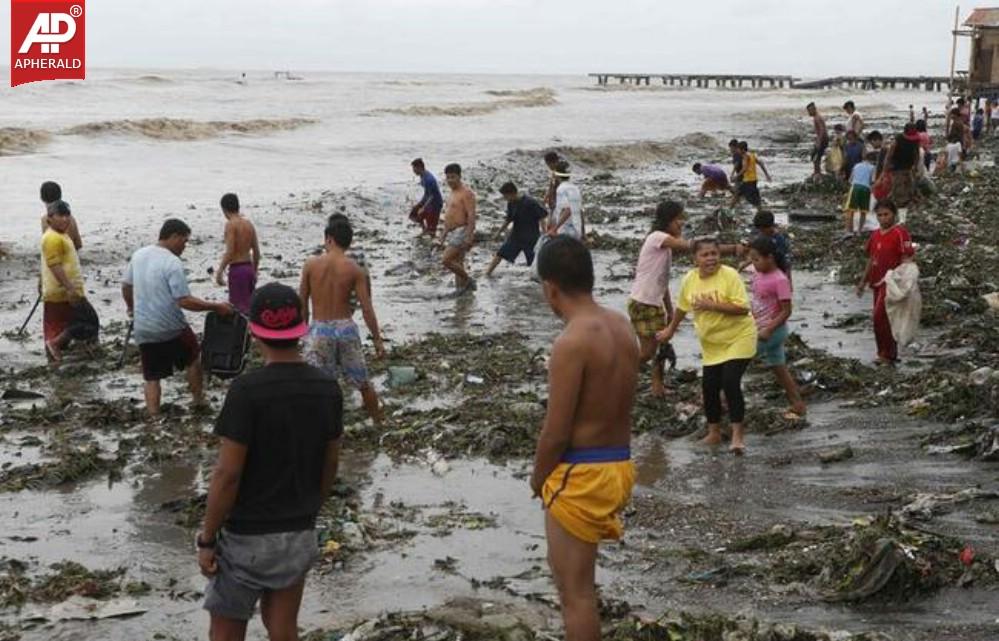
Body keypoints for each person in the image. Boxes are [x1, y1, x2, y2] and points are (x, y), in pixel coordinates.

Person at [198, 282, 343, 641]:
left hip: (247, 537)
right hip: (298, 533)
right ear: (301, 326)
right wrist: (310, 509)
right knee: (282, 628)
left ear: (253, 330)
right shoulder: (327, 388)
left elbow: (227, 474)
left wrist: (207, 538)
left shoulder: (247, 391)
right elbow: (330, 464)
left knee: (226, 631)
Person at [529, 236, 638, 641]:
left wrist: (538, 479)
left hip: (581, 473)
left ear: (550, 287)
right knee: (581, 589)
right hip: (618, 464)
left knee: (574, 594)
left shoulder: (571, 342)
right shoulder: (620, 326)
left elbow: (555, 432)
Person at [630, 202, 746, 399]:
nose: (681, 223)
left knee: (662, 345)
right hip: (642, 303)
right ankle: (614, 373)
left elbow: (662, 281)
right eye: (678, 219)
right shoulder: (657, 238)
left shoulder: (664, 247)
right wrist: (734, 248)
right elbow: (692, 246)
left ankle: (657, 386)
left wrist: (668, 308)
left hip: (654, 303)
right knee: (647, 352)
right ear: (667, 220)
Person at [122, 219, 234, 417]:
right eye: (184, 241)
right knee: (192, 357)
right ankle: (198, 400)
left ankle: (154, 416)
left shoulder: (138, 255)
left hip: (144, 329)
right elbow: (184, 301)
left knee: (151, 376)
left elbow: (126, 286)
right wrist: (216, 307)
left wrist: (131, 309)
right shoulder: (172, 262)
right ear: (173, 236)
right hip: (170, 327)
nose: (185, 246)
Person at [657, 238, 757, 454]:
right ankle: (714, 432)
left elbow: (742, 308)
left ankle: (737, 436)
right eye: (705, 255)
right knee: (709, 387)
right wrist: (670, 331)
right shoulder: (689, 280)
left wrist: (712, 305)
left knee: (730, 382)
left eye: (714, 253)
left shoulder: (729, 274)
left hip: (739, 337)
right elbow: (682, 309)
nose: (711, 258)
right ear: (695, 259)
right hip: (712, 344)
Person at [300, 216, 386, 424]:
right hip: (345, 327)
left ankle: (319, 428)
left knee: (316, 386)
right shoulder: (354, 269)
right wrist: (377, 340)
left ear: (329, 239)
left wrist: (303, 332)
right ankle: (378, 422)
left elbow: (302, 301)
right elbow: (367, 308)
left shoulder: (311, 265)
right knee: (363, 382)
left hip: (320, 329)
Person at [748, 237, 806, 420]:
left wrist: (768, 329)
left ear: (770, 258)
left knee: (738, 362)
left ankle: (723, 401)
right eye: (752, 259)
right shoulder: (758, 273)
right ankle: (797, 403)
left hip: (772, 331)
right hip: (762, 328)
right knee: (779, 367)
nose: (754, 263)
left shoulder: (780, 280)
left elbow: (787, 311)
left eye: (757, 259)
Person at [856, 200, 914, 366]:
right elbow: (871, 259)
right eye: (879, 215)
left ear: (894, 214)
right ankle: (884, 353)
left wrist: (906, 281)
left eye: (886, 214)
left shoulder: (901, 233)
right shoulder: (875, 235)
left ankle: (887, 354)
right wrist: (862, 282)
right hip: (876, 282)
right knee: (882, 320)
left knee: (879, 317)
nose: (883, 218)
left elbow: (907, 256)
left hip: (892, 283)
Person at [40, 200, 98, 362]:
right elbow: (54, 264)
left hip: (68, 291)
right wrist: (69, 287)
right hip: (62, 292)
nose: (65, 219)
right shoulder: (52, 238)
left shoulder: (61, 235)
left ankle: (67, 348)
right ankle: (55, 345)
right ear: (50, 219)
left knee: (77, 322)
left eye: (67, 215)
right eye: (61, 216)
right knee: (88, 322)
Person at [484, 182, 548, 277]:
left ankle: (544, 281)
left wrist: (545, 234)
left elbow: (542, 217)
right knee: (500, 253)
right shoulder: (511, 204)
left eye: (505, 196)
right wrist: (498, 233)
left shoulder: (530, 202)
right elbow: (508, 219)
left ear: (512, 193)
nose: (505, 198)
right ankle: (487, 273)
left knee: (535, 263)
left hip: (531, 238)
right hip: (516, 236)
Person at [214, 193, 261, 315]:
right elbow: (256, 252)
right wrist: (254, 271)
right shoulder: (249, 224)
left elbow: (230, 251)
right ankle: (252, 332)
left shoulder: (231, 224)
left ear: (224, 209)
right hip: (248, 268)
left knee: (238, 310)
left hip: (237, 270)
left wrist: (220, 271)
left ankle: (242, 333)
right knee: (250, 307)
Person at [436, 163, 477, 295]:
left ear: (459, 176)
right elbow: (448, 217)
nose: (450, 181)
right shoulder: (452, 193)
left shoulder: (467, 193)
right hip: (452, 231)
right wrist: (442, 236)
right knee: (458, 261)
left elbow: (471, 215)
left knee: (446, 260)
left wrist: (469, 236)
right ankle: (461, 289)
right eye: (447, 178)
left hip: (462, 230)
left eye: (453, 177)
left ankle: (468, 280)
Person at [740, 210, 791, 279]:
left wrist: (788, 281)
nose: (761, 232)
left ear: (771, 226)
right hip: (764, 270)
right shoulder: (761, 236)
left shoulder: (780, 240)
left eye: (763, 230)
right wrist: (744, 265)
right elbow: (756, 254)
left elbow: (786, 262)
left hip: (778, 270)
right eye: (760, 230)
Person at [885, 123, 921, 214]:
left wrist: (915, 166)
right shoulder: (898, 139)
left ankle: (904, 204)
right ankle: (897, 206)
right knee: (899, 188)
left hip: (908, 167)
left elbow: (917, 154)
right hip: (897, 168)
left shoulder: (915, 140)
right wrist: (886, 168)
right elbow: (889, 155)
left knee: (909, 187)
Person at [39, 181, 82, 250]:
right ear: (60, 196)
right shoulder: (70, 218)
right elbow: (79, 244)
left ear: (42, 198)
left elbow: (47, 246)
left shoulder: (46, 219)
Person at [548, 160, 584, 240]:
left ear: (557, 175)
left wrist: (554, 229)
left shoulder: (561, 189)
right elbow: (580, 211)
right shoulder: (575, 189)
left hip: (565, 231)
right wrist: (583, 234)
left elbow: (568, 209)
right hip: (577, 232)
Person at [730, 141, 770, 211]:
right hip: (753, 179)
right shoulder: (752, 155)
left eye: (738, 149)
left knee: (751, 198)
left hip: (748, 181)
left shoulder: (745, 156)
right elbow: (761, 164)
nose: (738, 151)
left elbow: (744, 168)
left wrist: (736, 177)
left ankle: (760, 211)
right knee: (737, 194)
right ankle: (730, 209)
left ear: (742, 149)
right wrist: (767, 175)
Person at [409, 158, 444, 237]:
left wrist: (423, 207)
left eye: (414, 169)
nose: (413, 171)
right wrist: (420, 203)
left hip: (435, 203)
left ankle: (433, 239)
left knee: (431, 224)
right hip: (427, 199)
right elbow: (426, 193)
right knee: (414, 214)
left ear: (419, 167)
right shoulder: (422, 176)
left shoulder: (429, 179)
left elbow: (432, 196)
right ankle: (424, 229)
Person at [844, 152, 876, 234]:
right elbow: (872, 181)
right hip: (866, 189)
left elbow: (850, 180)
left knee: (850, 210)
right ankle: (859, 231)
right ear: (873, 160)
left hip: (855, 187)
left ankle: (849, 230)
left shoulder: (856, 165)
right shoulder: (873, 167)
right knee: (863, 211)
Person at [806, 102, 828, 176]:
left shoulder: (817, 118)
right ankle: (817, 171)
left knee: (816, 157)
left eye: (809, 110)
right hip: (822, 139)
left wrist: (819, 141)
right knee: (815, 156)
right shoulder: (816, 117)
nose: (808, 112)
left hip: (823, 139)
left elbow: (822, 130)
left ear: (814, 109)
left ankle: (817, 172)